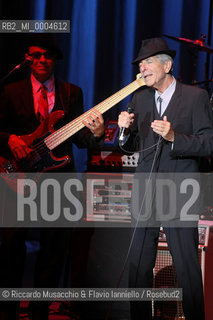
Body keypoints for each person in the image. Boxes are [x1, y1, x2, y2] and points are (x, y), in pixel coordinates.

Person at [0, 34, 105, 320]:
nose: (42, 60)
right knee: (10, 249)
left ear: (55, 60)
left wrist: (95, 134)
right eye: (36, 55)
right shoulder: (9, 92)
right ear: (27, 58)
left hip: (58, 179)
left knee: (53, 250)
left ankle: (39, 313)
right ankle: (8, 311)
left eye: (47, 56)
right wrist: (10, 139)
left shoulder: (72, 93)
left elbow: (82, 139)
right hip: (15, 177)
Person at [118, 37, 213, 320]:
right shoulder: (140, 97)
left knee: (186, 267)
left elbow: (208, 144)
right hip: (145, 193)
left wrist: (174, 138)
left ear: (167, 65)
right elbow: (130, 146)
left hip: (180, 193)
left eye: (147, 63)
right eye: (140, 64)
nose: (142, 69)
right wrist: (123, 131)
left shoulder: (195, 98)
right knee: (137, 266)